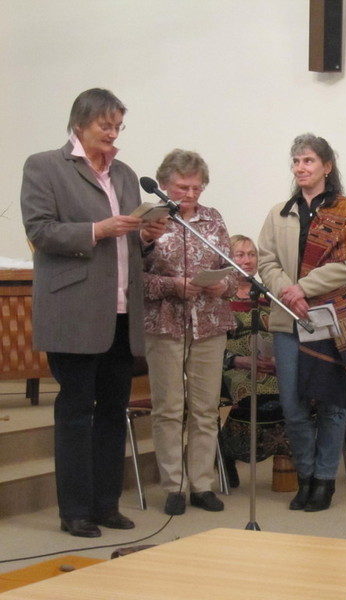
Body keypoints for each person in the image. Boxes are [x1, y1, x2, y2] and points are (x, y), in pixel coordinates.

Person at [20, 88, 167, 537]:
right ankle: (75, 511)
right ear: (80, 123)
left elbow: (129, 242)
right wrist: (96, 230)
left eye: (118, 126)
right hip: (75, 310)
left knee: (113, 411)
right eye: (106, 125)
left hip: (121, 311)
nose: (113, 133)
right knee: (76, 410)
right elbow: (40, 230)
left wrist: (145, 237)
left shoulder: (125, 174)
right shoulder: (45, 166)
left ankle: (106, 504)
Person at [258, 133, 346, 512]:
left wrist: (302, 288)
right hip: (288, 318)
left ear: (327, 166)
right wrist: (288, 291)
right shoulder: (279, 213)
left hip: (337, 318)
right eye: (296, 161)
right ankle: (306, 477)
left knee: (331, 404)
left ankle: (325, 481)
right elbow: (266, 261)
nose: (301, 167)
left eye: (308, 160)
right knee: (293, 405)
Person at [142, 149, 236, 515]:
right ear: (164, 185)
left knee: (205, 409)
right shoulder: (149, 222)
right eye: (183, 187)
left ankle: (201, 484)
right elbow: (133, 279)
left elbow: (232, 271)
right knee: (169, 408)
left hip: (210, 322)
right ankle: (173, 486)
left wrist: (223, 285)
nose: (191, 194)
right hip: (164, 323)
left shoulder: (213, 219)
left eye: (197, 187)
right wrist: (172, 285)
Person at [219, 234, 290, 488]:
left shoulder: (269, 293)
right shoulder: (219, 296)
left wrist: (279, 358)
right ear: (227, 258)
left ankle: (290, 456)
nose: (247, 260)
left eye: (252, 255)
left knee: (294, 389)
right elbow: (207, 344)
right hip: (230, 366)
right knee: (253, 390)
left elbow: (283, 331)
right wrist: (238, 361)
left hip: (271, 363)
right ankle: (226, 449)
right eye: (240, 255)